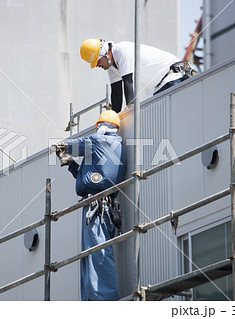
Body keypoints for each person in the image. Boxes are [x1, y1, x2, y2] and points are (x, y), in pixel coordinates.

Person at [54, 110, 127, 301]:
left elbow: (73, 145)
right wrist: (71, 165)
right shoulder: (105, 148)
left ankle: (104, 301)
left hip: (98, 207)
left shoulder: (100, 141)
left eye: (99, 126)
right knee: (91, 256)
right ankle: (92, 301)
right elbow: (87, 178)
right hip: (99, 205)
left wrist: (63, 148)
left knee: (97, 254)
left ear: (104, 127)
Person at [80, 38, 197, 113]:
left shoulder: (122, 50)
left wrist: (131, 113)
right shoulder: (111, 67)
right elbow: (116, 94)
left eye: (98, 61)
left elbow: (128, 83)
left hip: (174, 76)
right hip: (162, 84)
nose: (97, 65)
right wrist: (113, 120)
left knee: (160, 116)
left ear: (105, 53)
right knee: (156, 114)